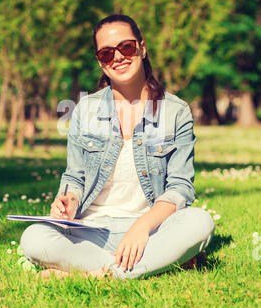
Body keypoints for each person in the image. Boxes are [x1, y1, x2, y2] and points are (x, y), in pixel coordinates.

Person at [20, 14, 215, 280]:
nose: (118, 57)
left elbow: (180, 188)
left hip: (151, 231)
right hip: (91, 231)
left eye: (126, 47)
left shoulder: (176, 111)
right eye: (106, 53)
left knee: (199, 222)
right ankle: (142, 266)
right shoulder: (85, 109)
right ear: (99, 61)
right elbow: (74, 177)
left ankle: (93, 274)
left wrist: (141, 227)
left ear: (142, 48)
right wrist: (69, 202)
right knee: (34, 237)